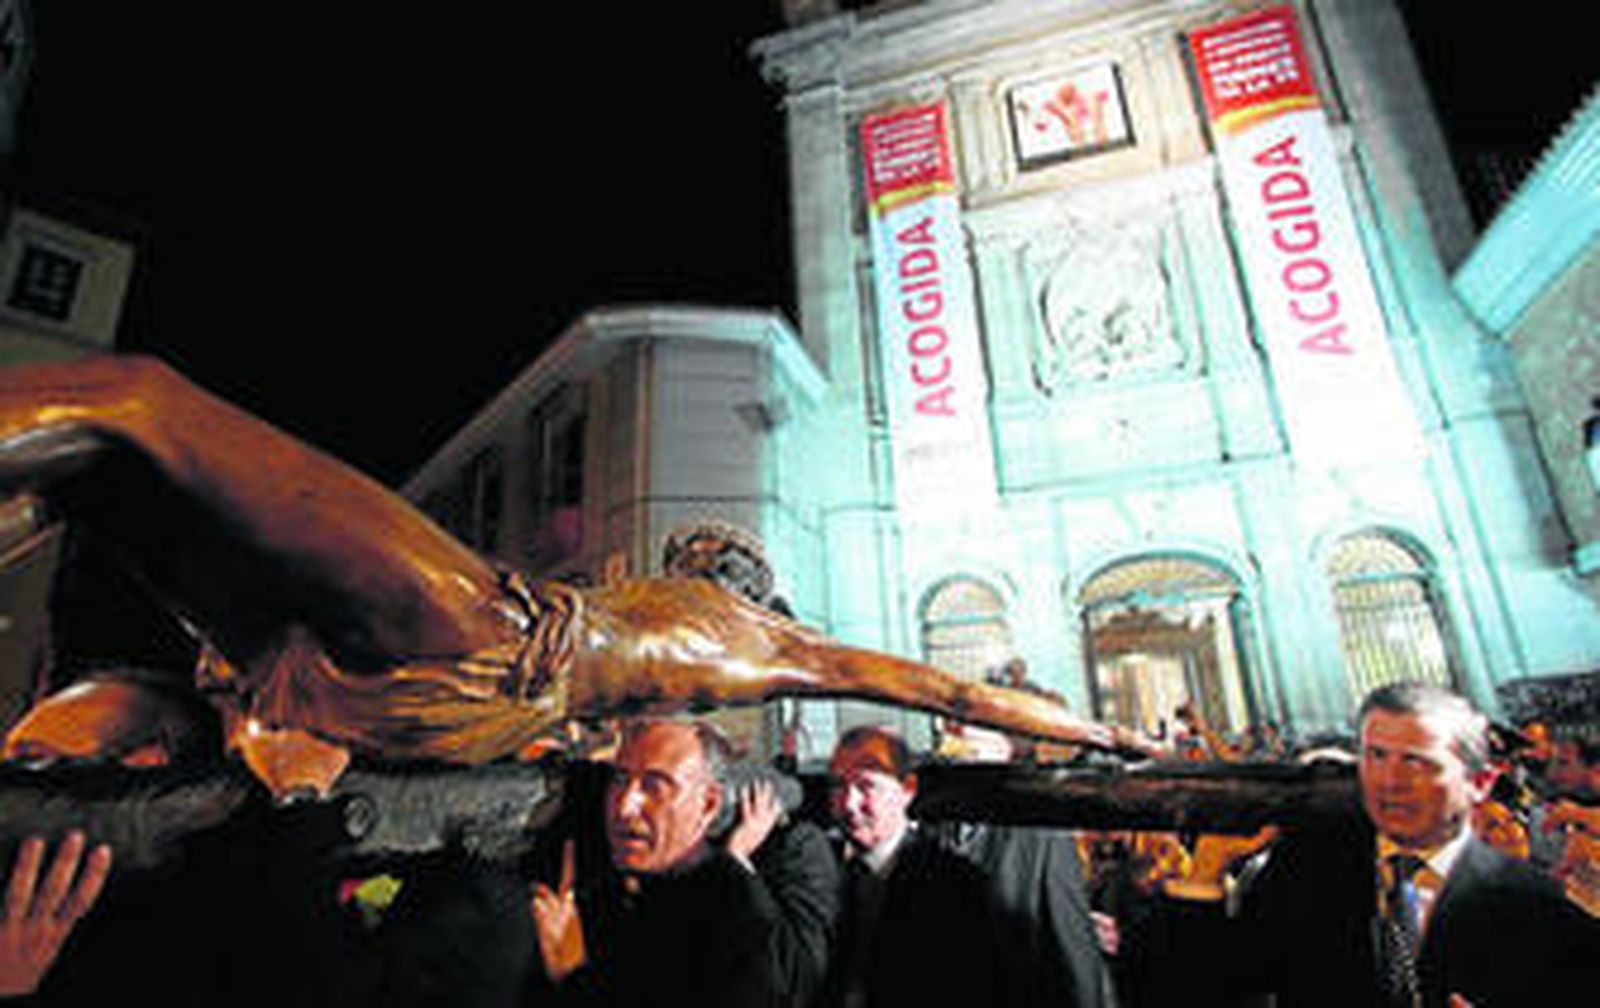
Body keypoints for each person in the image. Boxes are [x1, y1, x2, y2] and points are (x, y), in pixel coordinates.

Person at [0, 355, 1148, 803]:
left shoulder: (764, 645)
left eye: (710, 553)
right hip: (456, 686)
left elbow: (944, 691)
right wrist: (1097, 736)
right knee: (107, 482)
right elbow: (942, 694)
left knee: (141, 400)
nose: (695, 550)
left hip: (491, 640)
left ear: (744, 580)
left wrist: (1098, 733)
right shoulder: (706, 656)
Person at [1145, 681, 1596, 1007]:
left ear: (1480, 781)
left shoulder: (1537, 901)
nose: (1390, 783)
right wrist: (1204, 876)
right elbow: (1209, 988)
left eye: (1418, 763)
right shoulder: (1310, 869)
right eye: (1376, 757)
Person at [528, 718, 785, 1007]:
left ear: (709, 804)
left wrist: (572, 972)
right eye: (621, 779)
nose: (625, 806)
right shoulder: (609, 878)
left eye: (655, 786)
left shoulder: (734, 913)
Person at [925, 722, 1117, 1008]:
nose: (956, 740)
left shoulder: (1042, 833)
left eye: (969, 731)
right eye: (951, 732)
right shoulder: (933, 830)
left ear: (1004, 750)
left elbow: (1074, 950)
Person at [822, 725, 1000, 1008]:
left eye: (866, 786)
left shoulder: (955, 886)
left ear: (908, 789)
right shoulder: (824, 878)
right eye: (838, 785)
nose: (849, 804)